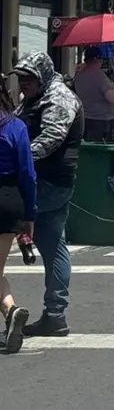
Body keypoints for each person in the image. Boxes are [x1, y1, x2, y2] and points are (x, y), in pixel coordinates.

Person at [12, 52, 83, 338]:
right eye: (21, 77)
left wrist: (17, 159)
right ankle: (54, 314)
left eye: (29, 77)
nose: (24, 82)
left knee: (52, 245)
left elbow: (51, 138)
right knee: (53, 245)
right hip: (41, 180)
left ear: (42, 75)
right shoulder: (36, 97)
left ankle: (54, 313)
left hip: (49, 182)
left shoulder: (58, 98)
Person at [0, 87, 36, 353]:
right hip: (9, 198)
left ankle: (11, 311)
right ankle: (10, 311)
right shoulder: (16, 127)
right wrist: (30, 213)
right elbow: (27, 172)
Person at [73, 47, 114, 142]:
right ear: (97, 59)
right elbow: (112, 98)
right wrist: (112, 86)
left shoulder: (79, 75)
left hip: (86, 119)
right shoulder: (100, 76)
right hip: (101, 122)